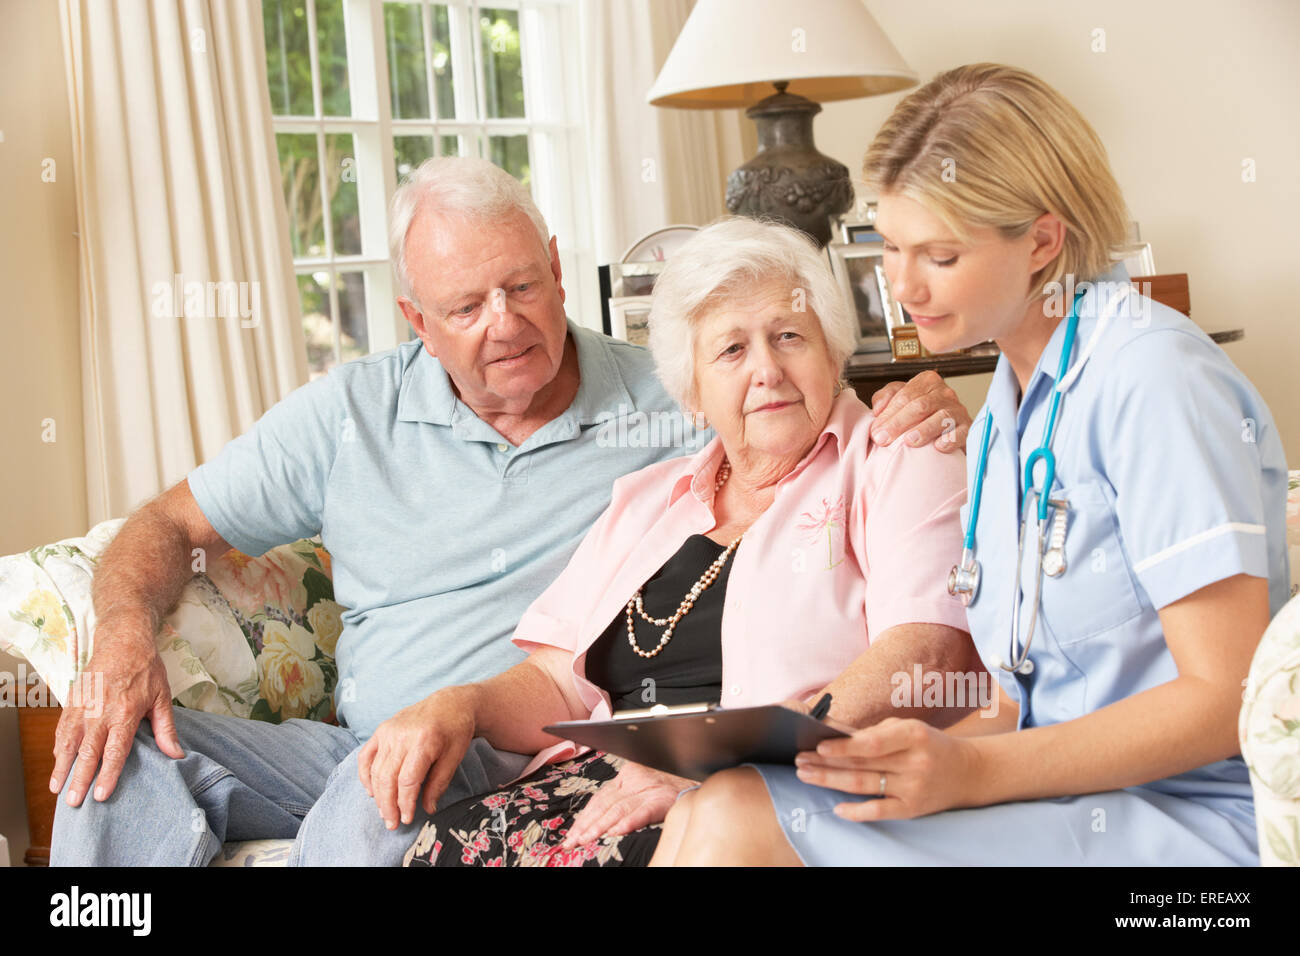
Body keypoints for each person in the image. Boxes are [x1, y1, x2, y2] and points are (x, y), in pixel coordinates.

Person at [48, 157, 969, 866]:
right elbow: (164, 526)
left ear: (559, 270)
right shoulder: (354, 415)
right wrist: (122, 640)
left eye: (523, 287)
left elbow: (800, 414)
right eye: (467, 305)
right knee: (115, 749)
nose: (506, 323)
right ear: (416, 321)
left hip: (506, 755)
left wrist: (928, 400)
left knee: (384, 795)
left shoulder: (672, 397)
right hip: (381, 737)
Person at [649, 63, 1291, 867]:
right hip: (1059, 797)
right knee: (715, 804)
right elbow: (1022, 700)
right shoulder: (1002, 420)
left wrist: (975, 768)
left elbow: (1222, 697)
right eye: (890, 247)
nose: (901, 286)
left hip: (1194, 826)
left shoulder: (1154, 379)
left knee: (739, 823)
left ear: (1042, 242)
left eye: (939, 255)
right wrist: (879, 750)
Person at [399, 216, 983, 867]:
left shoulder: (900, 455)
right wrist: (465, 703)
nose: (767, 369)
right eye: (731, 351)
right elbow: (560, 683)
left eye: (789, 336)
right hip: (611, 781)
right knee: (442, 845)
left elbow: (925, 658)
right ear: (694, 392)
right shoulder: (651, 499)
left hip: (781, 788)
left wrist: (708, 761)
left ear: (834, 351)